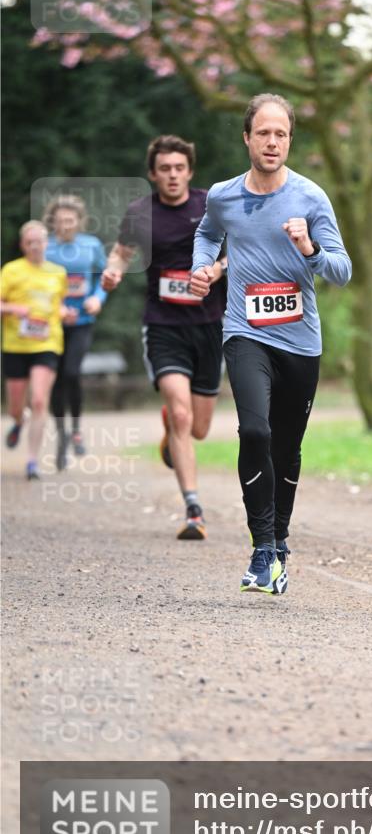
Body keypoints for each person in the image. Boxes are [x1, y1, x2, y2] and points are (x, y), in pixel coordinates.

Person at [190, 93, 352, 594]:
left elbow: (342, 271)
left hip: (300, 343)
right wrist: (202, 267)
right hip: (244, 333)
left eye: (281, 133)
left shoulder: (310, 198)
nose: (272, 142)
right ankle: (262, 549)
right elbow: (206, 234)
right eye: (264, 132)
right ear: (247, 138)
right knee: (254, 431)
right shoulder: (222, 195)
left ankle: (279, 543)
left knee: (286, 447)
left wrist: (310, 247)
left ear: (290, 139)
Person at [102, 135, 226, 540]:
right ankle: (194, 510)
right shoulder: (140, 212)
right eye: (165, 169)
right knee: (182, 412)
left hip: (209, 325)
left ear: (189, 171)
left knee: (200, 428)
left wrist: (218, 269)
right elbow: (121, 251)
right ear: (153, 174)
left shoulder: (211, 204)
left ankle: (171, 431)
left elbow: (240, 248)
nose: (172, 175)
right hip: (163, 325)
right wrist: (114, 270)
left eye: (179, 168)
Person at [1, 220, 70, 480]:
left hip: (47, 342)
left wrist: (66, 313)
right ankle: (19, 421)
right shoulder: (11, 271)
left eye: (39, 241)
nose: (34, 246)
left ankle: (32, 462)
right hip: (16, 345)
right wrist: (12, 309)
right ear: (23, 245)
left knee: (40, 399)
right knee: (16, 407)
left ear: (46, 243)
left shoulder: (57, 272)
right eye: (29, 242)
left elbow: (58, 306)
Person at [43, 194, 108, 470]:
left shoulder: (91, 245)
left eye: (70, 221)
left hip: (82, 321)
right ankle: (61, 438)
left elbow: (105, 279)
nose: (65, 226)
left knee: (72, 372)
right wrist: (53, 307)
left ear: (79, 222)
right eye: (60, 222)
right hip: (52, 324)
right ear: (53, 223)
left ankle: (78, 428)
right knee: (56, 380)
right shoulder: (45, 248)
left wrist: (97, 299)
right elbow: (38, 283)